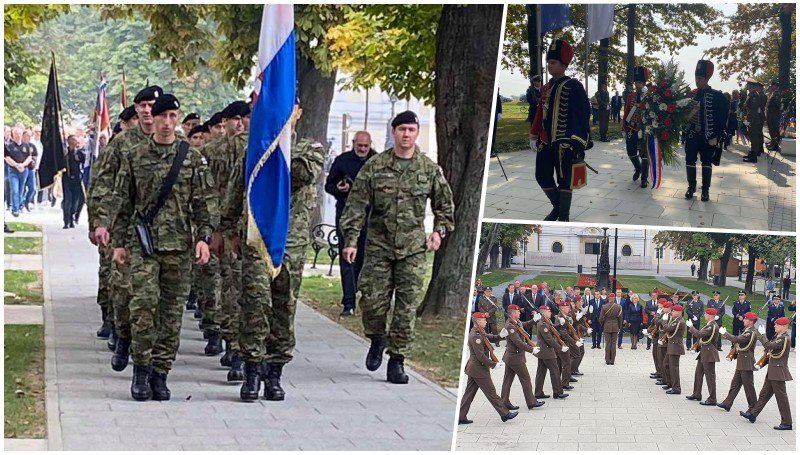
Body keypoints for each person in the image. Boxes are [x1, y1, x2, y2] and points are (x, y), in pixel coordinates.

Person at [110, 93, 215, 401]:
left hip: (180, 248)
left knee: (170, 315)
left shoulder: (191, 157)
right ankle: (140, 370)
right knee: (143, 307)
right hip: (143, 245)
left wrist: (203, 238)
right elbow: (122, 201)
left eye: (173, 116)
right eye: (162, 116)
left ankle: (160, 372)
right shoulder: (135, 154)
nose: (168, 123)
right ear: (152, 119)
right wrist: (118, 243)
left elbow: (205, 202)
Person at [340, 110, 455, 384]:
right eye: (402, 129)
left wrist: (438, 232)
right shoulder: (375, 166)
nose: (406, 134)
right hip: (379, 246)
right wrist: (351, 241)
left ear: (416, 133)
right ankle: (378, 338)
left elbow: (445, 206)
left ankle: (397, 360)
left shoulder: (428, 169)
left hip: (412, 249)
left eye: (411, 130)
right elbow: (356, 204)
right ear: (394, 132)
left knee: (406, 308)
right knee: (372, 302)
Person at [89, 86, 162, 359]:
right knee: (121, 288)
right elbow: (102, 182)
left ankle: (147, 352)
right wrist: (99, 222)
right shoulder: (122, 143)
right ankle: (121, 331)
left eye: (151, 105)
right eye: (141, 105)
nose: (146, 110)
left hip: (161, 233)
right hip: (125, 228)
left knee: (152, 295)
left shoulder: (176, 147)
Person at [530, 39, 590, 222]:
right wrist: (534, 134)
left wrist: (579, 142)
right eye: (548, 62)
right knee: (541, 175)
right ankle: (557, 207)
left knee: (565, 181)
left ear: (564, 65)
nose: (549, 65)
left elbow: (583, 114)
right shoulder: (546, 88)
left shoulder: (574, 86)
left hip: (565, 142)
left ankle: (564, 216)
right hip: (546, 141)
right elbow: (540, 112)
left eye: (553, 62)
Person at [324, 131, 377, 317]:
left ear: (370, 144)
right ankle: (348, 302)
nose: (362, 149)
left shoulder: (376, 161)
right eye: (359, 146)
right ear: (353, 143)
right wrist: (339, 189)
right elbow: (328, 185)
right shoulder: (342, 160)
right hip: (346, 215)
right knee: (347, 257)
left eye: (365, 146)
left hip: (370, 217)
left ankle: (359, 293)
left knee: (364, 257)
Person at [458, 312, 518, 424]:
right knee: (492, 393)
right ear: (477, 321)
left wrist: (501, 335)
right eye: (484, 320)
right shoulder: (475, 336)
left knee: (469, 394)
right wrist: (493, 364)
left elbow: (491, 338)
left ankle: (460, 417)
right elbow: (481, 356)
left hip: (474, 369)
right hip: (478, 369)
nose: (486, 321)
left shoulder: (480, 331)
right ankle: (505, 414)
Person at [684, 59, 728, 201]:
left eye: (700, 78)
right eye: (696, 78)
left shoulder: (717, 96)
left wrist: (718, 135)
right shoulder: (691, 94)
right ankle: (691, 187)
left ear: (707, 79)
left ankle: (705, 190)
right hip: (691, 134)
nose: (697, 81)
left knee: (706, 162)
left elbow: (722, 117)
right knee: (690, 160)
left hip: (707, 136)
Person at [740, 317, 792, 430]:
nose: (774, 326)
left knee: (781, 398)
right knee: (764, 394)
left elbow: (768, 346)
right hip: (773, 371)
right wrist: (760, 364)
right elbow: (770, 353)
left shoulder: (784, 338)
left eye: (777, 325)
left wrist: (763, 335)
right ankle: (753, 414)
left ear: (784, 326)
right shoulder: (778, 336)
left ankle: (787, 422)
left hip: (778, 372)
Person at [499, 305, 545, 410]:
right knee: (526, 379)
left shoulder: (516, 322)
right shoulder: (510, 326)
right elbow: (517, 342)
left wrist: (533, 320)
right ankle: (531, 402)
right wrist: (531, 349)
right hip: (515, 357)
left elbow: (524, 325)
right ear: (513, 313)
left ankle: (504, 402)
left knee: (507, 380)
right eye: (518, 311)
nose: (520, 312)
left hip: (511, 357)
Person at [717, 311, 759, 412]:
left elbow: (737, 339)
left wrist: (725, 334)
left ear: (751, 321)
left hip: (746, 363)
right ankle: (727, 403)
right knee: (735, 384)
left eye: (746, 319)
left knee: (749, 387)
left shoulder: (750, 332)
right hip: (742, 362)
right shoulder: (747, 330)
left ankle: (753, 407)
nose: (743, 320)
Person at [685, 308, 720, 405]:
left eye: (706, 313)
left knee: (710, 377)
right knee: (698, 374)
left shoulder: (712, 326)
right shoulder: (709, 325)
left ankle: (712, 399)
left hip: (709, 354)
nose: (704, 315)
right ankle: (696, 394)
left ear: (710, 315)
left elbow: (699, 334)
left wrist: (691, 327)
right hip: (704, 352)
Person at [533, 306, 569, 400]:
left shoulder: (545, 322)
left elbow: (551, 329)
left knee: (541, 372)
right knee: (555, 371)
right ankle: (557, 393)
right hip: (547, 351)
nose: (550, 312)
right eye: (549, 311)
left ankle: (538, 392)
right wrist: (560, 348)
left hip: (542, 351)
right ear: (544, 312)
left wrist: (559, 325)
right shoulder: (543, 324)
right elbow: (549, 339)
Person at [623, 66, 649, 187]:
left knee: (644, 154)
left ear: (644, 83)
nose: (637, 85)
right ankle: (637, 168)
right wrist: (624, 127)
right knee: (631, 151)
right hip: (632, 128)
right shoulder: (630, 96)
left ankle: (644, 178)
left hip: (645, 130)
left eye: (639, 82)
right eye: (636, 82)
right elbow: (627, 112)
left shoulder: (649, 96)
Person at [4, 126, 33, 217]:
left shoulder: (26, 146)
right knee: (15, 189)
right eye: (16, 134)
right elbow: (7, 158)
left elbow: (29, 157)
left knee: (21, 189)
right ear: (13, 134)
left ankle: (20, 205)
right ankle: (15, 209)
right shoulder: (9, 146)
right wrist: (16, 165)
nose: (18, 135)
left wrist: (23, 165)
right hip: (13, 170)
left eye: (19, 134)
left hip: (24, 170)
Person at [62, 136, 85, 229]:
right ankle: (66, 221)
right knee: (67, 201)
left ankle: (72, 218)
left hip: (76, 179)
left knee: (75, 201)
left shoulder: (79, 153)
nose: (77, 142)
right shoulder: (65, 153)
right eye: (75, 140)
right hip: (67, 179)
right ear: (70, 142)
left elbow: (85, 162)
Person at [662, 304, 686, 395]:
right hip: (672, 346)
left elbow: (668, 328)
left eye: (674, 311)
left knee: (674, 368)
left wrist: (664, 321)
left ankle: (676, 388)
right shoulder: (675, 320)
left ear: (679, 312)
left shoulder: (679, 322)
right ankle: (670, 383)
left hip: (675, 347)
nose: (672, 312)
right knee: (666, 364)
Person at [742, 79, 766, 163]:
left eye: (747, 84)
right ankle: (752, 153)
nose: (746, 86)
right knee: (752, 137)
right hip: (752, 119)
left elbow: (753, 109)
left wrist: (748, 120)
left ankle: (754, 156)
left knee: (754, 138)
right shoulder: (752, 94)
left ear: (751, 85)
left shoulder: (754, 95)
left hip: (753, 120)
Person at [599, 293, 623, 365]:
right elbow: (620, 319)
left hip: (607, 326)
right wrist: (619, 327)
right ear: (614, 298)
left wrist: (603, 324)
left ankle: (607, 360)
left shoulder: (604, 307)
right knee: (613, 344)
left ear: (608, 298)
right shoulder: (619, 307)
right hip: (615, 327)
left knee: (608, 344)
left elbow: (600, 319)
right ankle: (612, 361)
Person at [765, 80, 782, 152]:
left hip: (774, 115)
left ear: (775, 86)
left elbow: (778, 105)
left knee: (775, 129)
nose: (771, 87)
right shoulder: (772, 94)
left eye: (772, 86)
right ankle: (772, 142)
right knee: (771, 129)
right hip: (770, 114)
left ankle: (775, 145)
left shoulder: (776, 94)